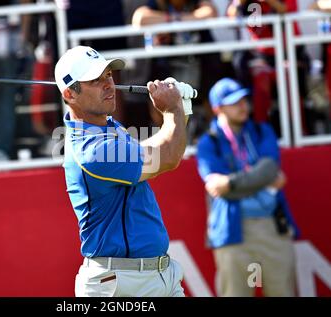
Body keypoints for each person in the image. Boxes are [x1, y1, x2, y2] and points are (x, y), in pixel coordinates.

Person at [56, 46, 195, 297]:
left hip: (160, 276)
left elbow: (158, 148)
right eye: (95, 80)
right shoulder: (91, 150)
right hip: (117, 284)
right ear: (70, 93)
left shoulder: (108, 127)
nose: (108, 84)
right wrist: (173, 110)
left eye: (108, 75)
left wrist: (179, 111)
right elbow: (167, 158)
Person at [196, 78, 300, 297]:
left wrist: (231, 184)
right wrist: (260, 181)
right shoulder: (209, 142)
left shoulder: (263, 131)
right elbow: (215, 184)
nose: (243, 106)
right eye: (235, 102)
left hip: (272, 225)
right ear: (217, 108)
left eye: (244, 100)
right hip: (232, 229)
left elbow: (270, 169)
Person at [132, 0, 224, 144]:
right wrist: (182, 19)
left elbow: (210, 13)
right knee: (154, 84)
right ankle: (166, 139)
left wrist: (173, 22)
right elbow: (140, 19)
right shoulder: (157, 4)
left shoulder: (197, 3)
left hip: (200, 63)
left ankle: (217, 137)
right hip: (167, 65)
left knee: (212, 79)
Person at [227, 0, 310, 134]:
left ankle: (300, 131)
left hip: (290, 52)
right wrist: (239, 3)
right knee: (261, 78)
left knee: (289, 76)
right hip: (262, 55)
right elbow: (231, 18)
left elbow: (287, 10)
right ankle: (261, 132)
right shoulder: (247, 3)